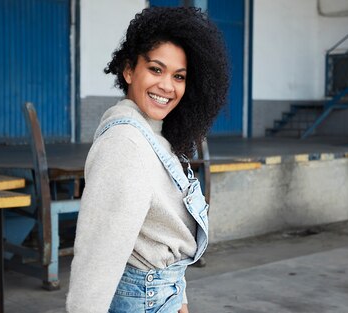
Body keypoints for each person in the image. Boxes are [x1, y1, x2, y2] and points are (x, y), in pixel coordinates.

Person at [66, 6, 229, 313]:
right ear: (129, 70)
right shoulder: (124, 144)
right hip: (143, 301)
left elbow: (163, 231)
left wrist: (179, 298)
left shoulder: (154, 135)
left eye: (178, 76)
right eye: (156, 69)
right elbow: (98, 253)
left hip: (161, 293)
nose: (167, 86)